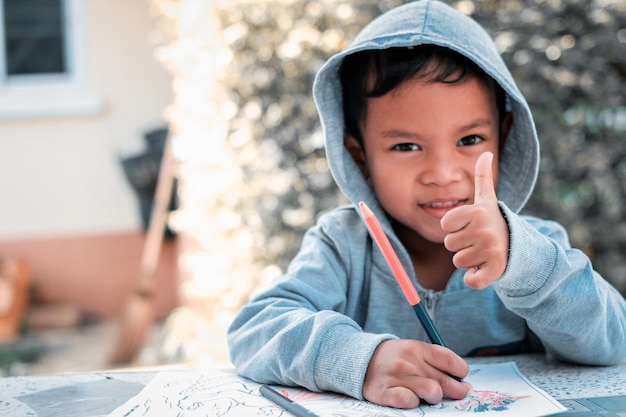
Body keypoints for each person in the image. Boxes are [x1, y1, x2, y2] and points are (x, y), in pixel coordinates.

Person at [227, 0, 626, 409]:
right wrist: (361, 360)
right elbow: (255, 329)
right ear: (360, 155)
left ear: (503, 138)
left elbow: (614, 341)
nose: (442, 172)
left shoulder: (534, 248)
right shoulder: (342, 245)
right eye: (406, 145)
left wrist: (523, 262)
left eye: (470, 140)